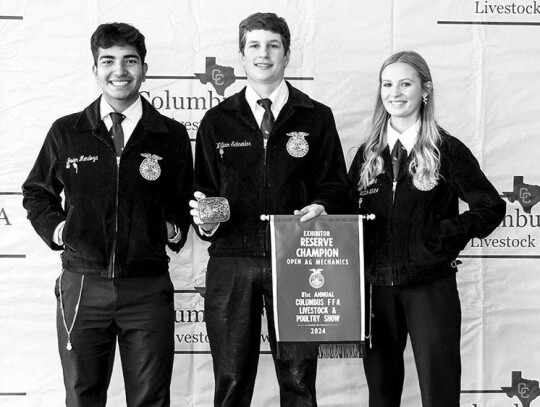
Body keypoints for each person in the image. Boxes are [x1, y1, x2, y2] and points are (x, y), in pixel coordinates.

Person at [22, 22, 193, 406]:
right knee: (83, 397)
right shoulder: (67, 131)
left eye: (130, 61)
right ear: (95, 69)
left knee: (150, 399)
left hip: (147, 288)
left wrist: (169, 228)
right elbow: (36, 192)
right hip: (82, 286)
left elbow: (184, 202)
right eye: (109, 61)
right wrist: (60, 230)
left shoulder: (170, 134)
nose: (120, 70)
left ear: (144, 69)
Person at [189, 12, 350, 407]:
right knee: (230, 379)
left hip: (298, 256)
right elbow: (204, 192)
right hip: (231, 260)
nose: (264, 55)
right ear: (241, 56)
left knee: (298, 381)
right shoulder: (217, 121)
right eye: (254, 46)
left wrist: (322, 205)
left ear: (287, 54)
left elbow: (336, 187)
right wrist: (206, 222)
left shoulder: (316, 117)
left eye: (273, 46)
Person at [348, 50, 506, 407]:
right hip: (375, 291)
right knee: (382, 393)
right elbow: (345, 214)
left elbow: (490, 206)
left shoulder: (445, 149)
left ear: (425, 90)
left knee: (439, 389)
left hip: (429, 288)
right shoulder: (367, 155)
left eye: (406, 83)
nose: (395, 93)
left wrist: (446, 233)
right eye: (387, 84)